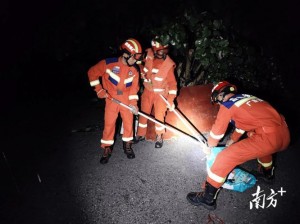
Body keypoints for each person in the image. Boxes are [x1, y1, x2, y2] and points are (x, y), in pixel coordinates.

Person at [186, 81, 290, 210]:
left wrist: (209, 146)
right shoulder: (247, 98)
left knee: (224, 158)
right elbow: (243, 124)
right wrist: (232, 140)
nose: (218, 105)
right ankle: (267, 175)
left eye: (217, 101)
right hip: (284, 135)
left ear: (220, 96)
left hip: (267, 138)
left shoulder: (228, 104)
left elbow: (217, 132)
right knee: (258, 141)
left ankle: (207, 199)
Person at [87, 38, 143, 164]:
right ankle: (107, 148)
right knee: (109, 123)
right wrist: (99, 90)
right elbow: (92, 73)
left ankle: (127, 145)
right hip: (111, 98)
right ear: (125, 54)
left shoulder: (134, 70)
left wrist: (134, 104)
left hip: (126, 99)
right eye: (134, 57)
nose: (136, 61)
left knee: (129, 122)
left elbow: (134, 89)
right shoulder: (108, 63)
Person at [133, 36, 178, 148]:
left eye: (164, 50)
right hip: (148, 91)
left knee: (159, 116)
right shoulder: (148, 56)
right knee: (143, 113)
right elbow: (137, 61)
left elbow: (173, 84)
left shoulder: (168, 64)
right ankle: (140, 134)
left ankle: (159, 136)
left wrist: (171, 100)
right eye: (159, 51)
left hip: (161, 94)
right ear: (154, 49)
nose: (162, 53)